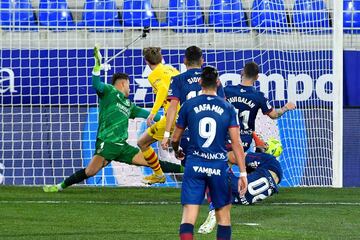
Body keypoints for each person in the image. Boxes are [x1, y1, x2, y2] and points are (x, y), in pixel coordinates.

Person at [43, 45, 181, 192]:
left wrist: (170, 124)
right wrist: (97, 67)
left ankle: (188, 168)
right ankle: (59, 187)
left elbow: (152, 116)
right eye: (129, 85)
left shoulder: (129, 105)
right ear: (122, 83)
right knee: (90, 171)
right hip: (107, 144)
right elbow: (96, 84)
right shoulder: (109, 92)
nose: (130, 89)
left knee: (154, 163)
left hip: (122, 147)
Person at [171, 66, 247, 240]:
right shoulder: (228, 108)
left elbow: (175, 138)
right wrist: (242, 173)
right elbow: (236, 143)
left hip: (194, 165)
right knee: (224, 217)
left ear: (200, 82)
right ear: (218, 82)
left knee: (189, 216)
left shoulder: (188, 105)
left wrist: (177, 150)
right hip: (218, 167)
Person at [198, 144, 284, 234]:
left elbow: (233, 156)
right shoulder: (277, 172)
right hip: (246, 199)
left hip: (241, 192)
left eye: (266, 145)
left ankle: (214, 209)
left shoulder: (267, 158)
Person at [161, 45, 225, 158]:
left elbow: (173, 108)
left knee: (191, 167)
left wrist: (167, 134)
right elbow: (224, 106)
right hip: (213, 131)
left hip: (189, 131)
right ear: (202, 60)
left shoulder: (177, 79)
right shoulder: (213, 79)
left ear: (184, 60)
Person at [224, 61, 296, 152]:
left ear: (242, 72)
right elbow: (274, 115)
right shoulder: (259, 96)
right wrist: (286, 107)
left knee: (226, 161)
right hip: (244, 141)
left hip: (227, 138)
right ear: (257, 77)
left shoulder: (227, 90)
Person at [137, 47, 180, 185]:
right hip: (186, 115)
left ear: (146, 61)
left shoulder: (153, 75)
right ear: (161, 59)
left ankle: (158, 175)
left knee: (142, 142)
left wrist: (153, 112)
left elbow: (163, 90)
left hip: (172, 117)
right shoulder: (172, 69)